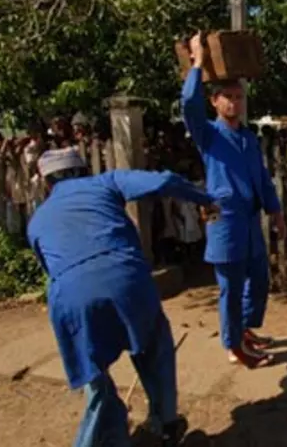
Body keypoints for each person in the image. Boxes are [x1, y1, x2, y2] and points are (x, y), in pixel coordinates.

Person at [26, 148, 216, 447]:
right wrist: (205, 199)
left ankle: (107, 437)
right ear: (84, 170)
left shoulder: (37, 220)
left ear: (47, 183)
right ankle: (166, 423)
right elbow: (164, 181)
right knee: (154, 348)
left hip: (72, 297)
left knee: (95, 378)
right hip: (125, 279)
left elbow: (51, 267)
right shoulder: (105, 183)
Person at [181, 32, 286, 368]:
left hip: (251, 222)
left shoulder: (247, 138)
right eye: (227, 97)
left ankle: (243, 329)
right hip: (225, 222)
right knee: (231, 287)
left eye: (239, 97)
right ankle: (233, 345)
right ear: (215, 102)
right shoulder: (209, 135)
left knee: (259, 280)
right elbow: (188, 105)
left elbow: (262, 178)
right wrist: (198, 64)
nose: (234, 103)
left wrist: (276, 211)